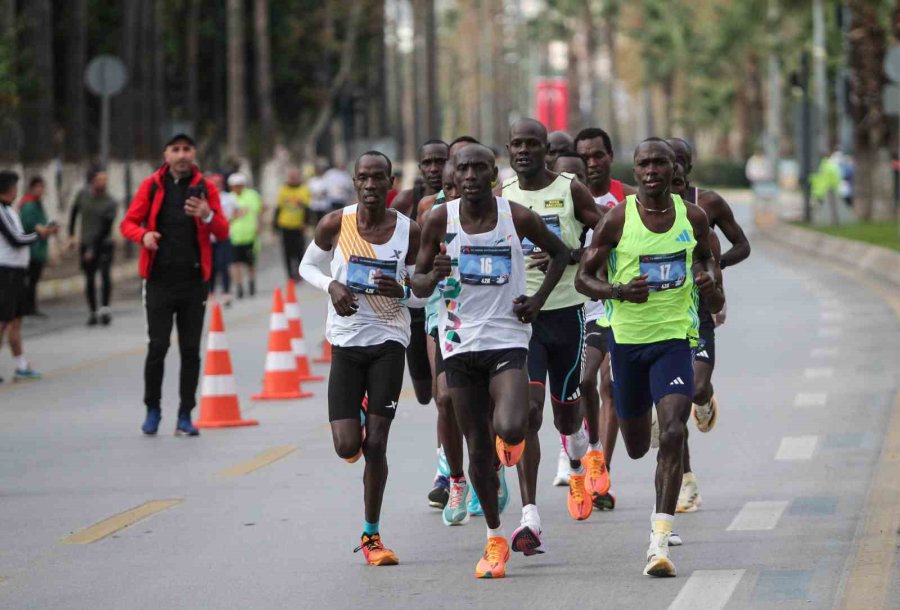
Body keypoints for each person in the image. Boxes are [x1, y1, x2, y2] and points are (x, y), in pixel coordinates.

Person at [413, 144, 569, 579]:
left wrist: (537, 301)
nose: (471, 175)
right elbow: (418, 280)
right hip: (458, 343)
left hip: (507, 336)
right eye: (463, 168)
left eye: (480, 168)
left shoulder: (514, 216)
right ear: (453, 174)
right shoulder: (437, 220)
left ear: (492, 173)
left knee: (513, 425)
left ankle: (512, 443)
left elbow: (559, 253)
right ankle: (495, 539)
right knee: (478, 450)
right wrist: (434, 273)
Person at [575, 138, 724, 577]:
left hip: (675, 339)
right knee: (639, 446)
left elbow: (710, 262)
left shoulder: (692, 217)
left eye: (660, 162)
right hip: (627, 344)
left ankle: (659, 540)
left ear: (673, 168)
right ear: (635, 171)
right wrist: (619, 292)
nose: (653, 170)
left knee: (674, 431)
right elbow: (584, 278)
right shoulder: (617, 220)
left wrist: (709, 282)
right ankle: (646, 422)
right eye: (645, 164)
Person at [299, 151, 426, 567]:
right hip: (347, 343)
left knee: (376, 443)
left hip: (390, 340)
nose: (371, 185)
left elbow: (425, 292)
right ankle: (359, 411)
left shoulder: (409, 231)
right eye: (363, 178)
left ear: (391, 181)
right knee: (346, 445)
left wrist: (402, 292)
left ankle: (372, 536)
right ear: (354, 182)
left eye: (378, 178)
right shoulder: (337, 222)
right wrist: (331, 284)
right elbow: (306, 266)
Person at [500, 118, 603, 545]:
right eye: (516, 144)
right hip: (524, 320)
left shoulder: (568, 188)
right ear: (509, 151)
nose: (524, 151)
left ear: (546, 148)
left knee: (566, 413)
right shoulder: (502, 195)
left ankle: (577, 461)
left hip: (566, 312)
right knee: (529, 413)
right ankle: (530, 516)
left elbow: (604, 229)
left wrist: (582, 254)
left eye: (532, 144)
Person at [120, 133, 229, 437]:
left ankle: (185, 414)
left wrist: (206, 214)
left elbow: (222, 231)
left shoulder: (206, 188)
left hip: (194, 282)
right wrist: (143, 236)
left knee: (191, 350)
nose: (182, 155)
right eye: (175, 149)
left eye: (187, 149)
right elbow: (128, 223)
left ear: (194, 154)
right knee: (158, 346)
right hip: (158, 281)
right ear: (166, 154)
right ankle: (152, 409)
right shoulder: (152, 185)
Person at [667, 137, 750, 514]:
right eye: (669, 163)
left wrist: (715, 268)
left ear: (688, 167)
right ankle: (687, 482)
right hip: (661, 315)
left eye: (680, 163)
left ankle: (705, 397)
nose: (674, 171)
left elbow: (741, 244)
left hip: (703, 303)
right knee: (674, 406)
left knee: (696, 387)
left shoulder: (708, 203)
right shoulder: (638, 210)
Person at [567, 127, 637, 513]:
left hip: (620, 305)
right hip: (577, 305)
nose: (592, 163)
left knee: (608, 384)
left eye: (598, 155)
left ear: (611, 155)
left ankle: (601, 473)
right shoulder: (566, 198)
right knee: (580, 384)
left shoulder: (626, 196)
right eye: (585, 157)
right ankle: (581, 461)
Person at [390, 140, 448, 410]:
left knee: (443, 391)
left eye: (441, 161)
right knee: (424, 392)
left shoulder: (468, 201)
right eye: (428, 162)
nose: (434, 168)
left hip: (443, 303)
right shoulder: (408, 201)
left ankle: (446, 447)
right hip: (415, 304)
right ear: (420, 166)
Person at [0, 171, 56, 383]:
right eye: (14, 186)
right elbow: (16, 240)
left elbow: (21, 236)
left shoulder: (11, 210)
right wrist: (40, 234)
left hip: (17, 271)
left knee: (15, 320)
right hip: (6, 271)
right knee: (3, 321)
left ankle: (22, 366)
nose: (16, 190)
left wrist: (41, 232)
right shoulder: (1, 211)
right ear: (8, 189)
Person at [68, 169, 118, 326]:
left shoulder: (110, 201)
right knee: (89, 277)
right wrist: (71, 234)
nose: (103, 182)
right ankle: (93, 311)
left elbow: (106, 227)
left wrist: (93, 249)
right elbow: (74, 211)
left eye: (105, 179)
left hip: (104, 243)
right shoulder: (83, 195)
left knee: (104, 274)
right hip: (86, 242)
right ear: (92, 181)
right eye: (100, 179)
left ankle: (105, 309)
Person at [227, 172, 263, 299]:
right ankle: (239, 287)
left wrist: (259, 225)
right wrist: (236, 214)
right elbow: (224, 217)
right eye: (234, 186)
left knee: (250, 263)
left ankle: (252, 284)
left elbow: (259, 211)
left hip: (250, 235)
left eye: (239, 185)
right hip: (234, 237)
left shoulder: (252, 195)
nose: (237, 188)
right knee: (235, 264)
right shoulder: (228, 198)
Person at [18, 176, 50, 317]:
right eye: (38, 187)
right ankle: (27, 307)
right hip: (31, 249)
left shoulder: (38, 203)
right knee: (30, 279)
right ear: (32, 188)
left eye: (42, 187)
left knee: (33, 279)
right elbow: (28, 225)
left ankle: (30, 306)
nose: (40, 190)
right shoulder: (28, 205)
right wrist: (40, 229)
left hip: (39, 248)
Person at [275, 167, 310, 282]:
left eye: (295, 177)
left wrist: (306, 223)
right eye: (291, 177)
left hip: (298, 226)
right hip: (285, 225)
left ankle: (300, 273)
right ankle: (290, 275)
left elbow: (307, 208)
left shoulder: (304, 189)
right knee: (287, 252)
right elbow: (278, 208)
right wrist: (275, 225)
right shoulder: (283, 190)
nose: (293, 179)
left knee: (299, 250)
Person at [207, 173, 235, 305]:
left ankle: (226, 291)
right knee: (211, 266)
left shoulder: (228, 198)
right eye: (214, 182)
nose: (216, 185)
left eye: (218, 182)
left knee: (223, 264)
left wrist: (229, 221)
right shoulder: (206, 198)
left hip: (224, 236)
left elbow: (237, 211)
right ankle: (210, 292)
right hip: (209, 238)